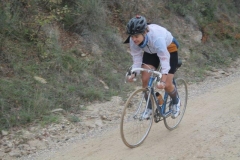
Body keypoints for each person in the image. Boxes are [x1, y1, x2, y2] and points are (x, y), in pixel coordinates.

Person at [125, 15, 180, 119]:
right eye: (132, 36)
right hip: (150, 51)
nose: (134, 39)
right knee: (145, 79)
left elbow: (164, 60)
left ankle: (176, 101)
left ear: (144, 32)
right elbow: (137, 58)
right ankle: (149, 108)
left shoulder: (157, 37)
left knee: (167, 84)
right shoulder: (133, 40)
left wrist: (163, 80)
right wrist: (134, 73)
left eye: (136, 36)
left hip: (168, 49)